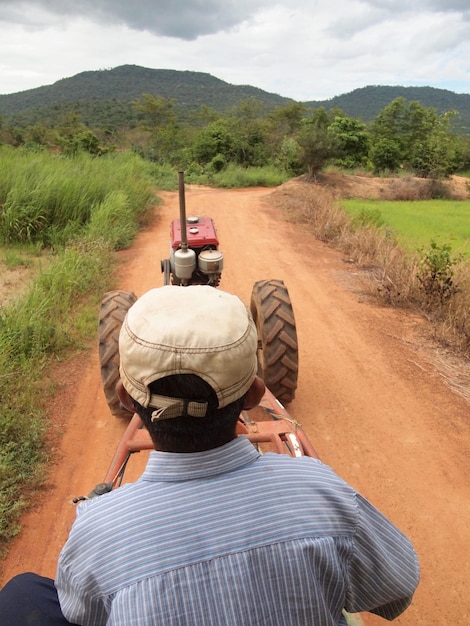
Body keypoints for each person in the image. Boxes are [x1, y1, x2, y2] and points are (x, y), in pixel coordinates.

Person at [0, 285, 419, 626]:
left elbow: (83, 613)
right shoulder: (322, 489)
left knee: (22, 595)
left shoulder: (96, 533)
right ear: (255, 393)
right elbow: (397, 589)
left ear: (126, 398)